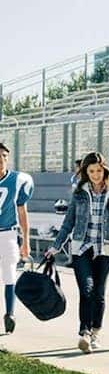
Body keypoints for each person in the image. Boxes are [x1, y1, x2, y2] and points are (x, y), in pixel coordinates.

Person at [45, 152, 109, 353]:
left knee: (99, 293)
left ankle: (95, 331)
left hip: (105, 249)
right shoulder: (79, 192)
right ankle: (84, 333)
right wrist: (56, 246)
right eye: (91, 171)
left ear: (104, 170)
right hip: (81, 248)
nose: (95, 175)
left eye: (98, 170)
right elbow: (68, 222)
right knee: (86, 290)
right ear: (85, 172)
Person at [0, 142, 33, 335]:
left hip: (8, 233)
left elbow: (22, 212)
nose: (1, 161)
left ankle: (10, 313)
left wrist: (26, 240)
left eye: (3, 157)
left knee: (10, 273)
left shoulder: (18, 180)